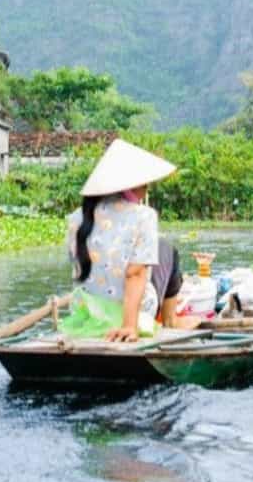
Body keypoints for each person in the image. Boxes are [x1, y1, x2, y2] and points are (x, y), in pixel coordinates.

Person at [66, 138, 196, 342]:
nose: (146, 188)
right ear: (131, 186)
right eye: (144, 183)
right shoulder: (144, 216)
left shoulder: (76, 218)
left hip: (85, 314)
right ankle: (171, 320)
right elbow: (134, 274)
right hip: (131, 315)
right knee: (169, 251)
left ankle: (171, 320)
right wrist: (129, 326)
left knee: (162, 251)